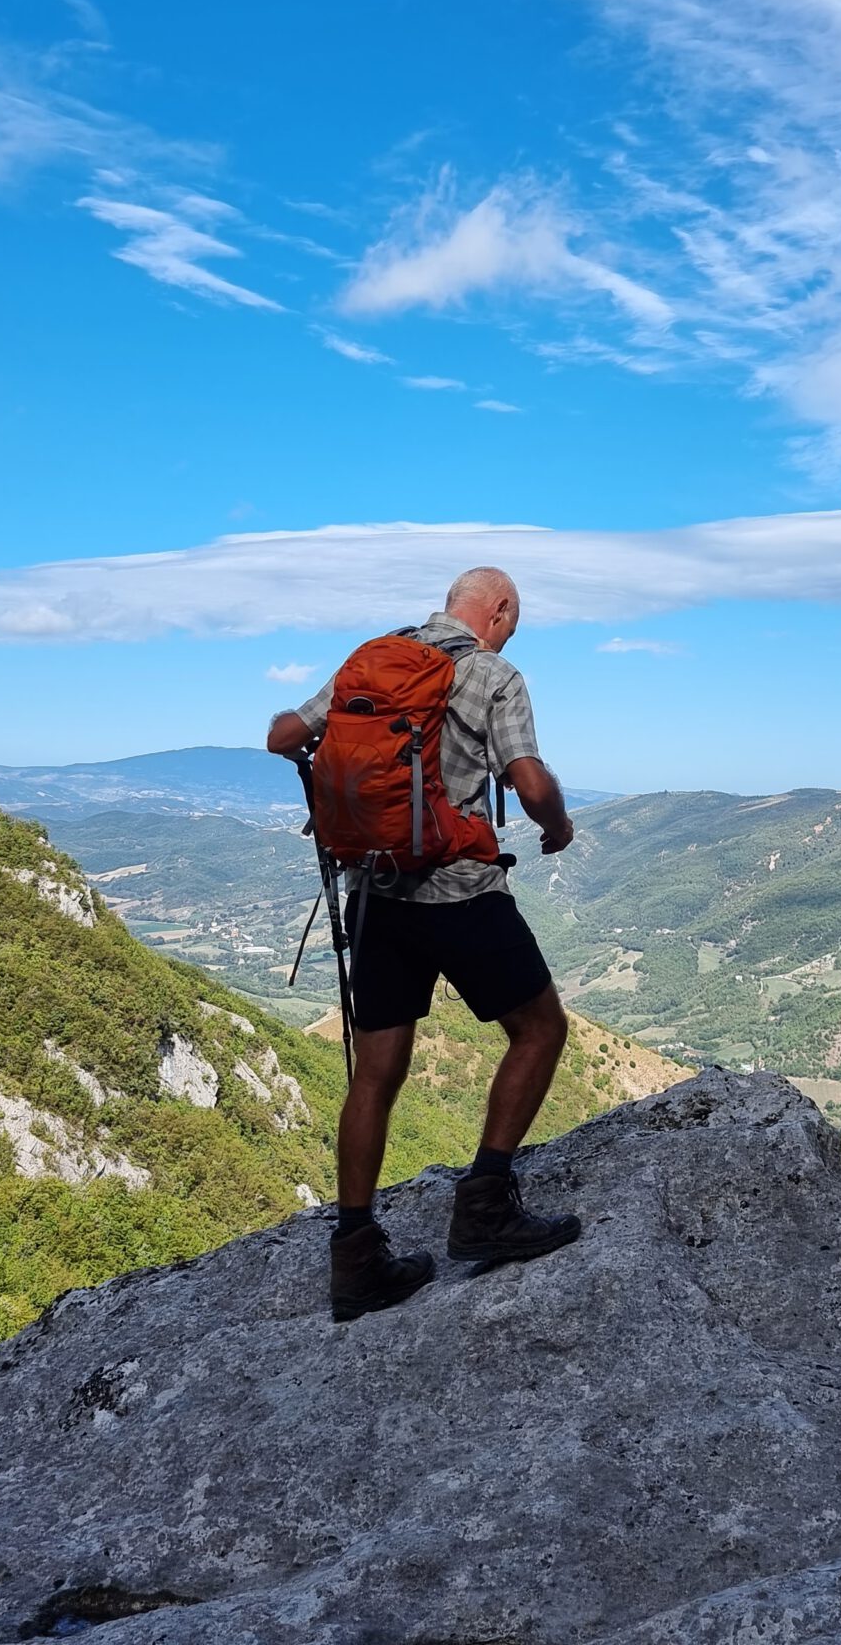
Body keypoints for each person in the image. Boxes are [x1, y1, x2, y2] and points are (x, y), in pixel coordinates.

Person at [266, 565, 583, 1321]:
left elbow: (283, 735)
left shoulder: (370, 661)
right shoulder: (493, 673)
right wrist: (557, 828)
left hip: (375, 895)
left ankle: (355, 1256)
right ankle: (484, 1206)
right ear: (498, 610)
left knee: (375, 1073)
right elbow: (529, 778)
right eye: (513, 618)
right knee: (539, 1030)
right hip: (460, 891)